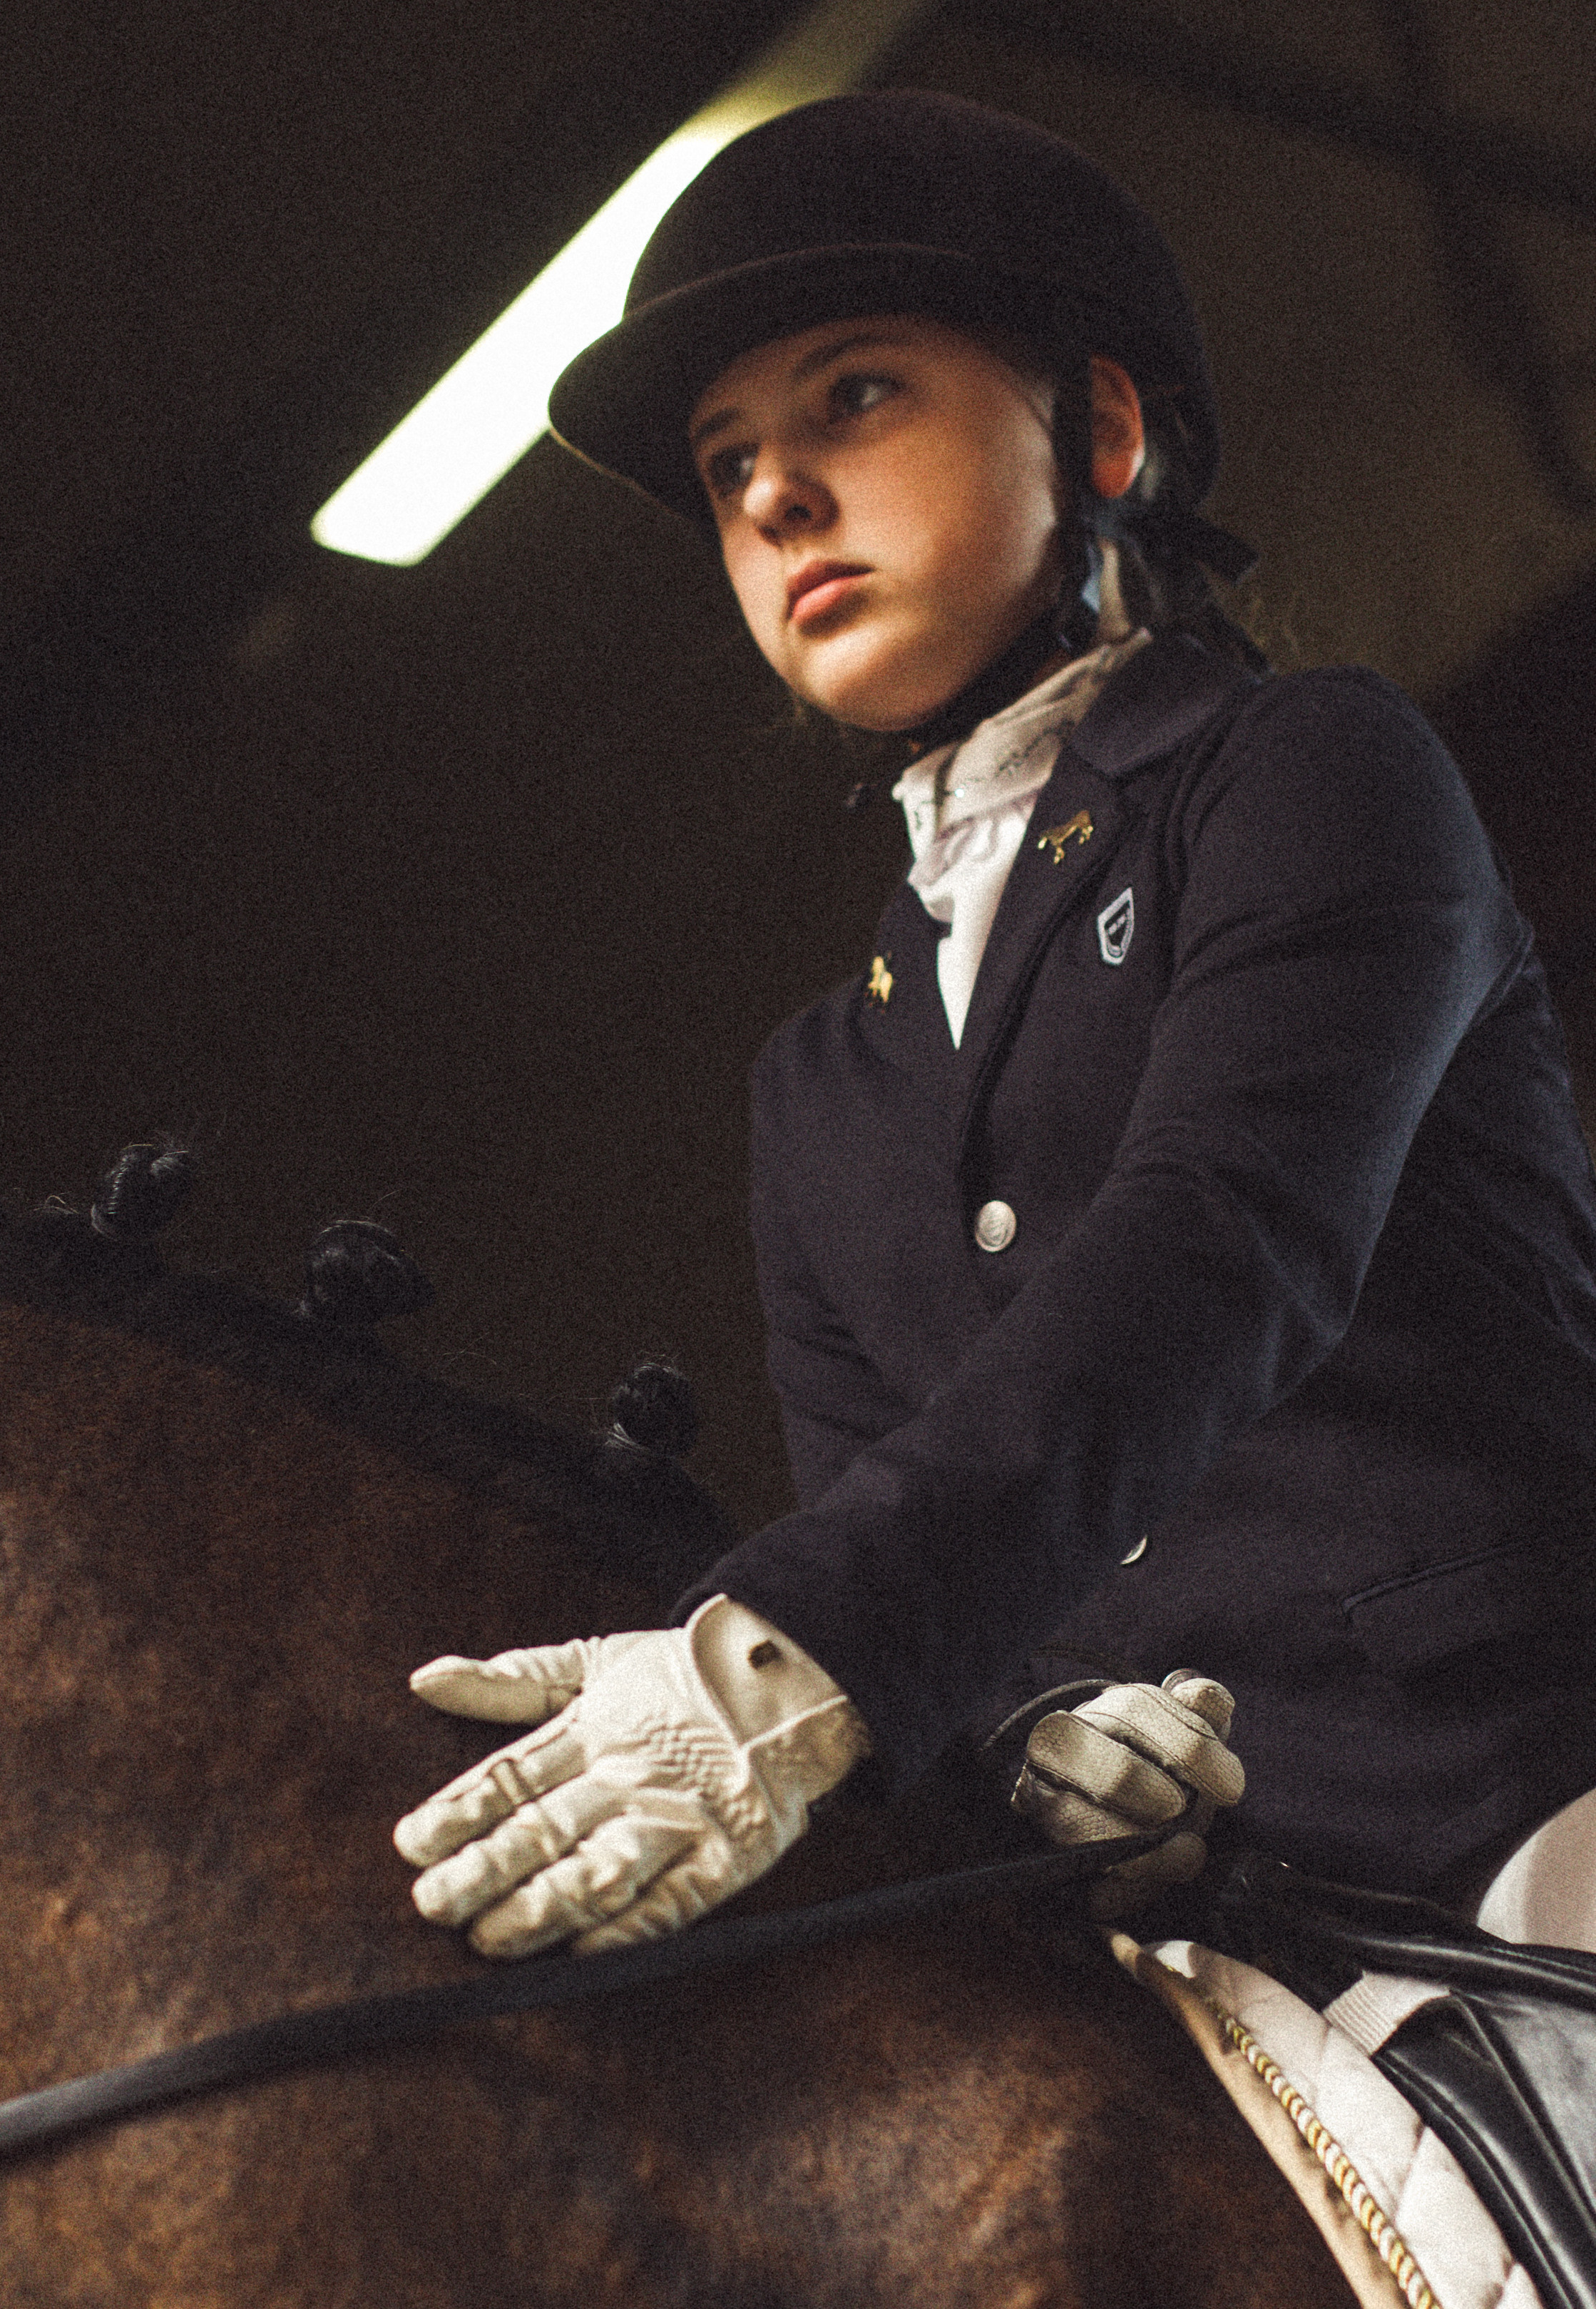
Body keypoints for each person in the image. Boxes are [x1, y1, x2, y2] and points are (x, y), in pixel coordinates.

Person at [392, 90, 1596, 1960]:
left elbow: (1225, 1236)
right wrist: (1032, 1744)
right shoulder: (821, 1087)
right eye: (727, 466)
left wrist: (807, 1658)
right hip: (1216, 1941)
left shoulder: (1309, 772)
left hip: (1530, 1796)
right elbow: (909, 1507)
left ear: (1101, 428)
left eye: (854, 395)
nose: (775, 493)